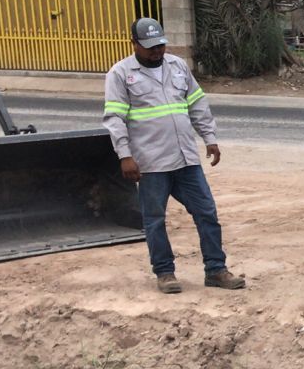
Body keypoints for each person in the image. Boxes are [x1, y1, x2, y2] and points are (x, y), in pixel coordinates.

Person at [102, 18, 245, 293]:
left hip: (186, 159)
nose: (156, 51)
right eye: (149, 47)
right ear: (134, 44)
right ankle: (165, 273)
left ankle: (216, 270)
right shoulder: (120, 74)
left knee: (207, 213)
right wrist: (124, 155)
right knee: (154, 219)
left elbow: (197, 105)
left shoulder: (178, 66)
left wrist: (210, 138)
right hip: (151, 163)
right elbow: (115, 118)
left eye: (160, 45)